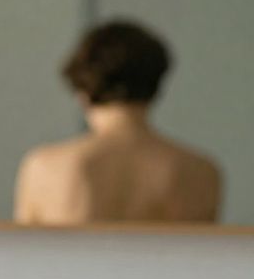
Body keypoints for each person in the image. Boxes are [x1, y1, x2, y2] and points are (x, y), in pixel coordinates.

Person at [14, 20, 222, 225]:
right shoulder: (202, 173)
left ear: (82, 90)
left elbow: (26, 255)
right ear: (156, 85)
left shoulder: (44, 167)